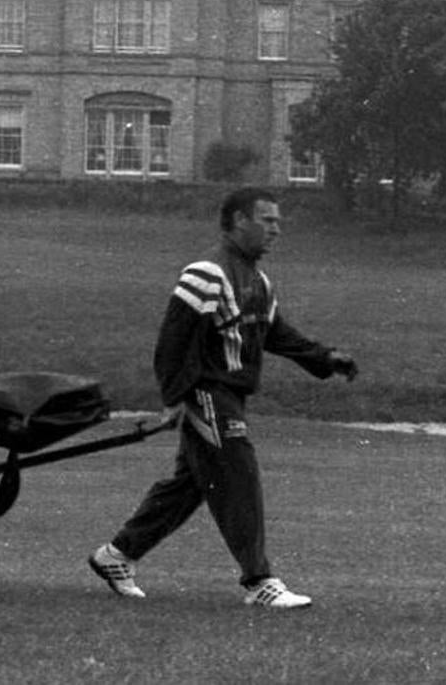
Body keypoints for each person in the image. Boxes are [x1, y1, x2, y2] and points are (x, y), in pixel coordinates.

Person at [89, 186, 358, 609]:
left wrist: (325, 358)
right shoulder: (206, 274)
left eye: (278, 222)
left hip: (229, 394)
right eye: (267, 221)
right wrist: (176, 396)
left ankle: (116, 555)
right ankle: (259, 581)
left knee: (191, 485)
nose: (276, 230)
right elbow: (173, 341)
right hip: (207, 393)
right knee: (238, 474)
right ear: (237, 222)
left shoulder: (258, 280)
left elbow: (276, 334)